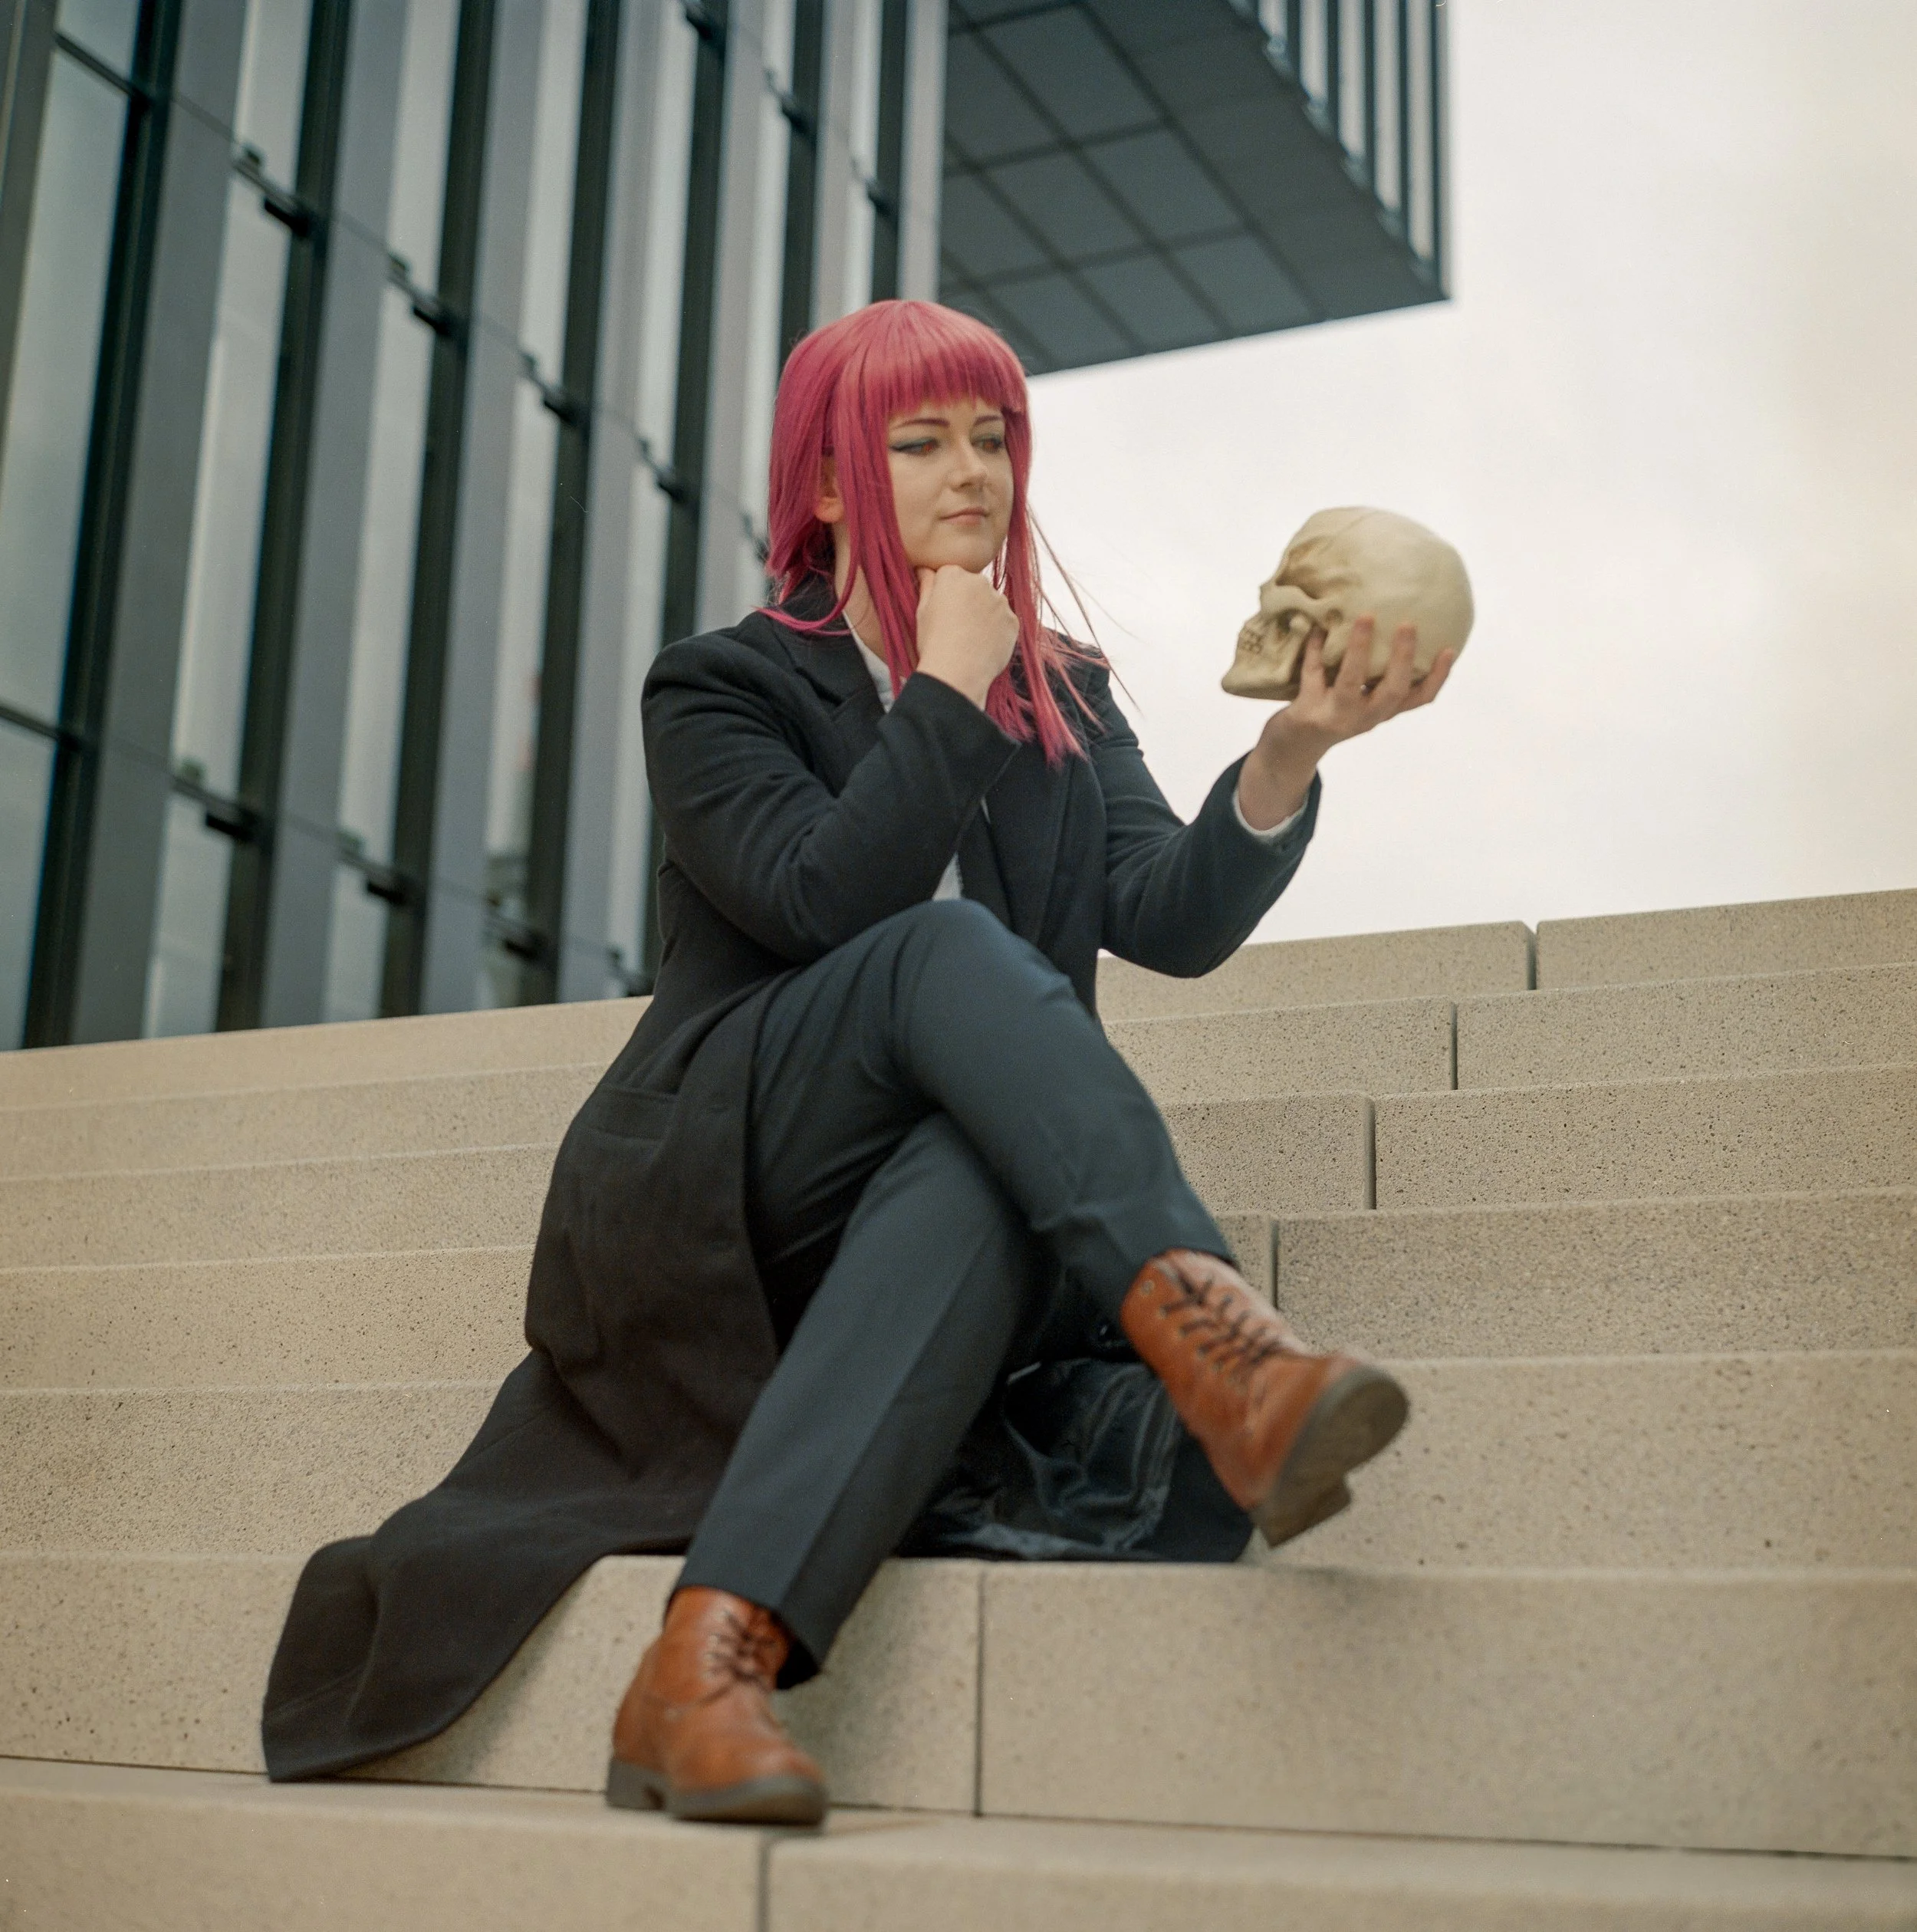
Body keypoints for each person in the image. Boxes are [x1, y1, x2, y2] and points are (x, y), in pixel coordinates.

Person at [261, 299, 1455, 1827]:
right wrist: (945, 690)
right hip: (734, 1183)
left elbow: (1165, 915)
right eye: (919, 439)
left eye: (991, 436)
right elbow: (826, 902)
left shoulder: (1064, 696)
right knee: (952, 955)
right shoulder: (722, 685)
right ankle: (1220, 1342)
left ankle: (706, 1662)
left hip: (935, 1211)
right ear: (827, 480)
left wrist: (1287, 750)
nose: (971, 470)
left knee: (971, 1158)